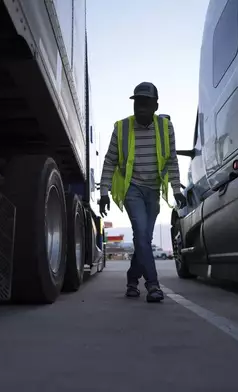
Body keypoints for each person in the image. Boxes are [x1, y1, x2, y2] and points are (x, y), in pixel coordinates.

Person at [99, 82, 187, 303]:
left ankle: (131, 280)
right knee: (140, 232)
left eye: (146, 103)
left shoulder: (166, 128)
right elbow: (109, 161)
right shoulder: (121, 128)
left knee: (144, 239)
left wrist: (176, 189)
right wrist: (103, 192)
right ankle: (152, 285)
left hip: (153, 190)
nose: (140, 108)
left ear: (155, 106)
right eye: (137, 103)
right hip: (132, 189)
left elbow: (172, 160)